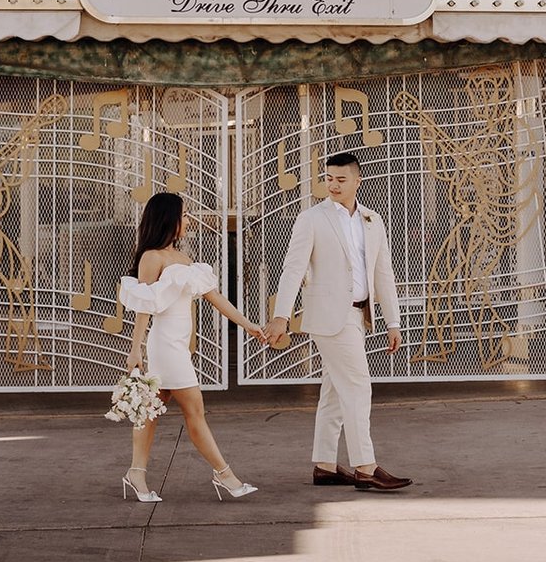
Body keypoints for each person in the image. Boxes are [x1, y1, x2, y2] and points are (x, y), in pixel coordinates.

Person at [264, 152, 411, 492]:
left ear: (358, 181)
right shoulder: (312, 219)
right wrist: (281, 316)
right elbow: (293, 269)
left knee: (334, 391)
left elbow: (383, 274)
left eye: (341, 179)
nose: (333, 184)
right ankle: (366, 466)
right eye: (329, 178)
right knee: (358, 386)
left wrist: (393, 321)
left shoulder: (373, 220)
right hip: (331, 316)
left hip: (360, 315)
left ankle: (325, 465)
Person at [119, 191, 265, 502]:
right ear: (169, 219)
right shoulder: (151, 257)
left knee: (149, 412)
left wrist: (248, 325)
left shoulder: (185, 260)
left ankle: (136, 473)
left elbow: (216, 299)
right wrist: (135, 350)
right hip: (164, 348)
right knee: (194, 411)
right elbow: (145, 307)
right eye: (184, 215)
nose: (189, 220)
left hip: (179, 347)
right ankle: (224, 474)